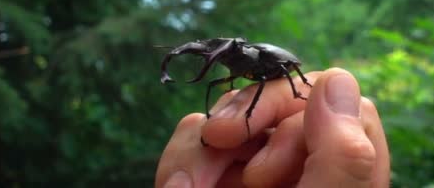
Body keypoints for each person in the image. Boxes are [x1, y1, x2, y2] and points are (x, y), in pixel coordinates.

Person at [155, 68, 390, 187]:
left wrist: (302, 88)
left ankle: (296, 90)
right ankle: (216, 118)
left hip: (277, 68)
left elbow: (281, 68)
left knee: (257, 92)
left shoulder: (257, 58)